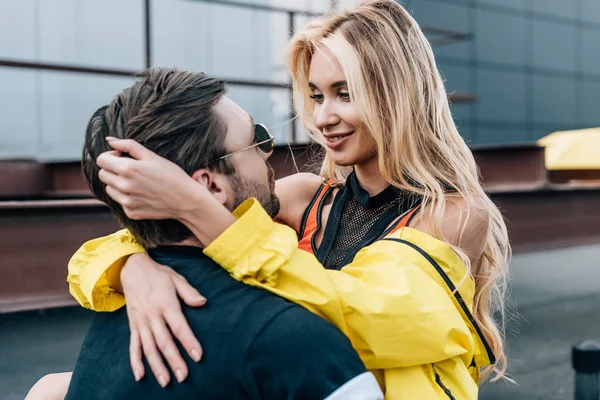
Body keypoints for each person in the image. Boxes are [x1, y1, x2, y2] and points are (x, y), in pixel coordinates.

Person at [42, 0, 511, 398]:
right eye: (316, 95)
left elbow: (364, 318)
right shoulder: (305, 197)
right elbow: (129, 244)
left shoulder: (453, 213)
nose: (324, 116)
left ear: (397, 95)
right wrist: (134, 268)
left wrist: (200, 211)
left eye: (344, 93)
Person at [27, 68, 383, 400]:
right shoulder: (297, 339)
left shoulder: (113, 317)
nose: (267, 150)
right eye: (255, 139)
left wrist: (128, 264)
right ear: (210, 187)